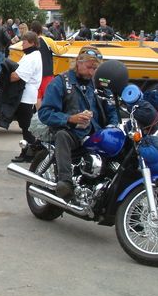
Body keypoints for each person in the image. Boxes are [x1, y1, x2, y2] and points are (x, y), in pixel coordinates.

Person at [38, 46, 119, 200]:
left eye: (95, 68)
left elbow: (112, 109)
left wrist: (113, 126)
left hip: (97, 134)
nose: (92, 72)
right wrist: (70, 118)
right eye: (89, 67)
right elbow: (45, 113)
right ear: (78, 62)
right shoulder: (60, 82)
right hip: (73, 133)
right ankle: (65, 182)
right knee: (62, 136)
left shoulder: (100, 84)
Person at [8, 31, 43, 163]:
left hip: (26, 95)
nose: (22, 44)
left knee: (26, 126)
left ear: (32, 43)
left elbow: (17, 76)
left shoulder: (31, 57)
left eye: (24, 42)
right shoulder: (31, 55)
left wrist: (6, 78)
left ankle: (30, 152)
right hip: (27, 94)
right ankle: (28, 151)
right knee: (25, 125)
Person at [30, 20, 69, 109]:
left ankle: (39, 113)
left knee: (37, 96)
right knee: (48, 95)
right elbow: (59, 51)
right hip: (46, 72)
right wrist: (68, 45)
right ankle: (46, 114)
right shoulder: (47, 40)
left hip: (34, 73)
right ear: (41, 29)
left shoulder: (30, 41)